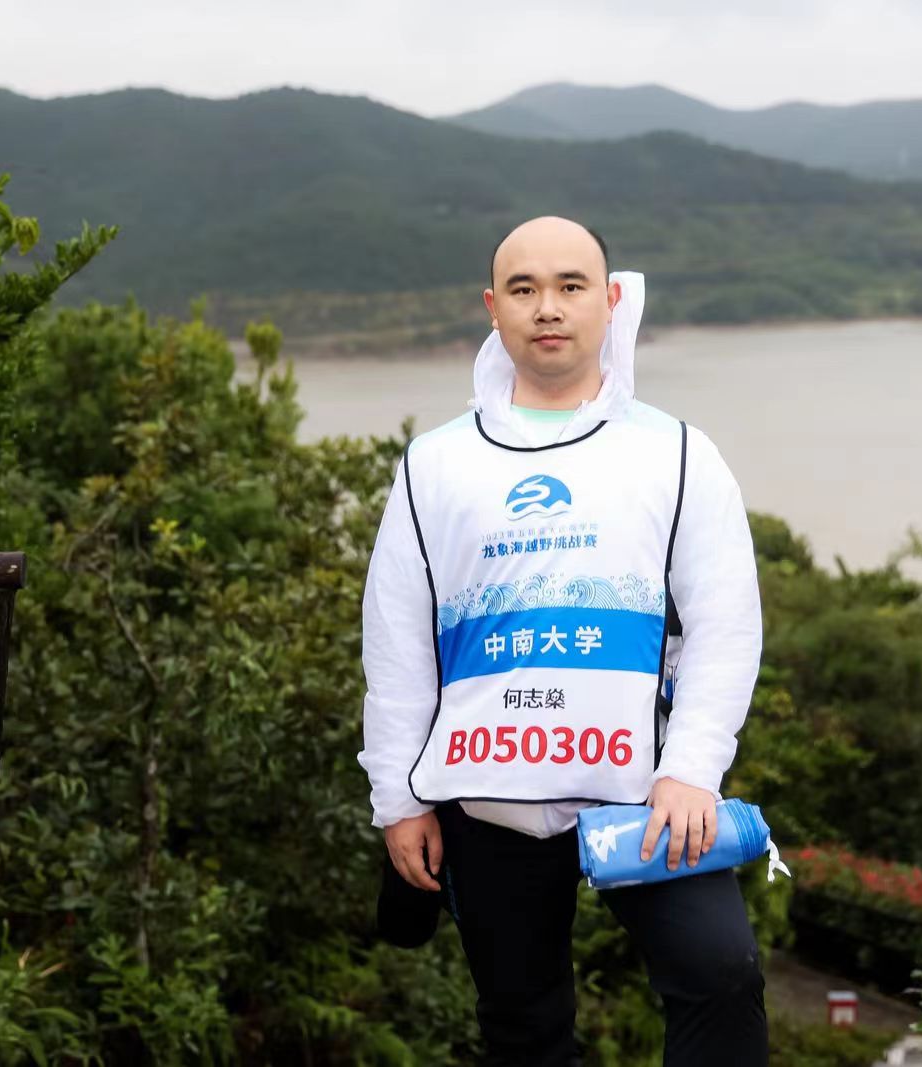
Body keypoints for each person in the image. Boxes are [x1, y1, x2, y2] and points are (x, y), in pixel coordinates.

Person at [357, 215, 766, 1066]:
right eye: (524, 288)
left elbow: (726, 621)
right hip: (486, 792)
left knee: (719, 971)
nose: (548, 307)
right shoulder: (434, 464)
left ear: (610, 301)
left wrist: (692, 768)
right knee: (523, 1026)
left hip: (643, 787)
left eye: (570, 285)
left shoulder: (676, 453)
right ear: (493, 307)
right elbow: (397, 642)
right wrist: (399, 798)